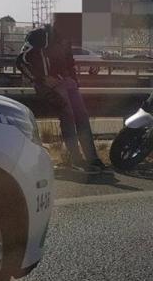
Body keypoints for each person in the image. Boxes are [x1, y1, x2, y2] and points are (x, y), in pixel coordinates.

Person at [18, 24, 108, 174]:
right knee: (68, 117)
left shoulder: (65, 39)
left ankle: (92, 159)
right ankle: (76, 160)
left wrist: (73, 80)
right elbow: (21, 61)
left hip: (66, 81)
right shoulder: (39, 36)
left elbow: (69, 61)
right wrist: (41, 78)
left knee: (82, 117)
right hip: (51, 84)